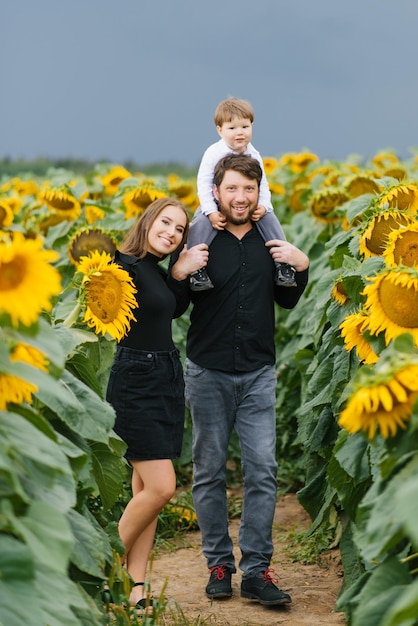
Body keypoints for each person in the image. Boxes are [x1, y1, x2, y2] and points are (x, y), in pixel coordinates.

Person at [168, 154, 309, 607]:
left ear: (258, 192)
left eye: (248, 189)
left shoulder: (272, 242)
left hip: (257, 375)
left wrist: (300, 266)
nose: (241, 197)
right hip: (207, 371)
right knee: (209, 471)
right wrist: (178, 273)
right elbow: (175, 306)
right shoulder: (200, 240)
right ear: (217, 191)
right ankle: (218, 565)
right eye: (232, 189)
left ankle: (256, 570)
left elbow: (287, 301)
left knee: (263, 471)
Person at [105, 197, 208, 611]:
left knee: (146, 488)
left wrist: (180, 273)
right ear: (148, 221)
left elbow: (173, 308)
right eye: (166, 222)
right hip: (135, 380)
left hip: (165, 375)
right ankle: (104, 565)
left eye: (180, 229)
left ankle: (136, 588)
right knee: (163, 487)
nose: (172, 232)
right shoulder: (121, 264)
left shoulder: (154, 270)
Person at [188, 97, 296, 291]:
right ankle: (196, 269)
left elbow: (262, 184)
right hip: (214, 202)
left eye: (245, 127)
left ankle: (283, 264)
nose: (240, 133)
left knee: (271, 222)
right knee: (200, 225)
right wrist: (211, 211)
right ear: (219, 130)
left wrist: (263, 205)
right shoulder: (214, 152)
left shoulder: (254, 154)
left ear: (252, 126)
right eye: (232, 128)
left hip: (250, 204)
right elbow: (203, 184)